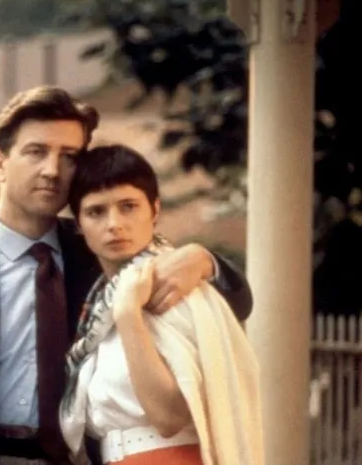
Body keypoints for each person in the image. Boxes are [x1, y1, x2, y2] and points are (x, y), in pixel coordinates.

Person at [0, 86, 253, 465]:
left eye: (69, 156)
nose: (52, 170)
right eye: (36, 152)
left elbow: (234, 303)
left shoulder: (100, 255)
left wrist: (206, 260)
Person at [59, 145, 263, 465]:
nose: (114, 224)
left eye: (129, 206)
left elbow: (168, 417)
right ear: (79, 224)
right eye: (96, 212)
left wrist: (128, 314)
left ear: (154, 210)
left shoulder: (178, 288)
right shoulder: (97, 305)